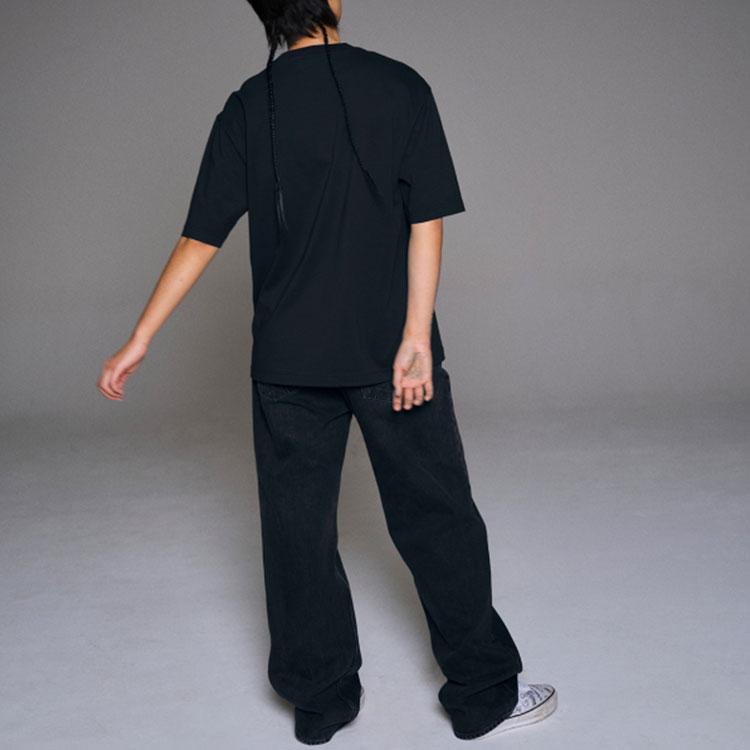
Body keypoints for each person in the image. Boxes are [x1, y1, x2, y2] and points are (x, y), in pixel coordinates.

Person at [97, 0, 557, 744]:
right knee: (437, 517)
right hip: (391, 353)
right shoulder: (401, 86)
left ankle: (321, 702)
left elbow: (199, 235)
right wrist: (415, 336)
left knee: (297, 534)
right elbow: (427, 219)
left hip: (287, 360)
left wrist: (139, 338)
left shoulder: (250, 105)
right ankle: (482, 695)